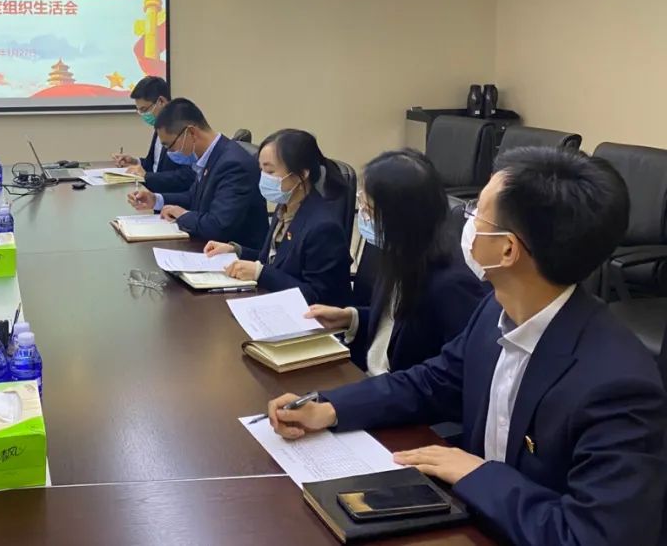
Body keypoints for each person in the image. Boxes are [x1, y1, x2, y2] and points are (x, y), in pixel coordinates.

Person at [266, 147, 666, 546]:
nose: (465, 221)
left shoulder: (617, 387)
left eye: (477, 213)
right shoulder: (496, 309)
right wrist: (331, 407)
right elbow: (433, 381)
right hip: (475, 518)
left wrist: (477, 475)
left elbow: (590, 536)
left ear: (507, 249)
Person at [305, 149, 486, 374]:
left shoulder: (451, 284)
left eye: (369, 209)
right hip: (373, 378)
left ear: (401, 217)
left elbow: (450, 373)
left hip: (398, 389)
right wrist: (351, 318)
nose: (363, 216)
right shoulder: (399, 254)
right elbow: (397, 326)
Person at [203, 129, 352, 305]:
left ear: (302, 174)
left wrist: (261, 273)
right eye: (261, 170)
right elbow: (276, 259)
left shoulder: (323, 227)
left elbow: (317, 297)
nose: (263, 178)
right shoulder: (285, 207)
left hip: (307, 316)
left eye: (270, 171)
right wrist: (236, 251)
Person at [126, 98, 268, 249]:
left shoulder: (234, 164)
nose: (170, 153)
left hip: (233, 255)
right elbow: (193, 197)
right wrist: (157, 199)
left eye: (170, 146)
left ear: (191, 133)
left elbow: (219, 226)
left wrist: (183, 215)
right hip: (208, 246)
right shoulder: (212, 155)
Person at [111, 76, 193, 192]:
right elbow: (155, 165)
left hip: (173, 198)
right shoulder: (159, 125)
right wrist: (135, 162)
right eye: (139, 110)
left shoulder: (182, 129)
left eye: (144, 110)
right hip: (154, 193)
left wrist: (147, 177)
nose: (143, 115)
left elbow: (187, 176)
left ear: (161, 102)